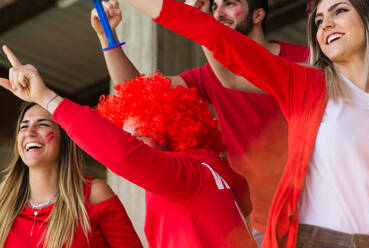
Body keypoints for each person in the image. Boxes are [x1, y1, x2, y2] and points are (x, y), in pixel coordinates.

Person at [59, 0, 369, 247]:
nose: (325, 25)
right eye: (318, 20)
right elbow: (199, 50)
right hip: (304, 235)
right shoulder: (306, 84)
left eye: (339, 12)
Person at [86, 0, 309, 245]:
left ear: (259, 14)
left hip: (313, 206)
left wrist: (202, 27)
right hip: (257, 220)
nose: (218, 13)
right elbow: (139, 93)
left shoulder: (303, 60)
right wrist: (107, 36)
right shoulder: (209, 75)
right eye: (214, 8)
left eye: (230, 4)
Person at [0, 52, 256, 248]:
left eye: (141, 134)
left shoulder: (188, 175)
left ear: (172, 127)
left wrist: (46, 97)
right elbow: (137, 93)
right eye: (127, 133)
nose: (131, 139)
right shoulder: (207, 173)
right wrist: (108, 40)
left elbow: (124, 154)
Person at [0, 102, 142, 248]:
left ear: (64, 139)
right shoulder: (2, 200)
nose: (30, 132)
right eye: (24, 126)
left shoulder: (94, 195)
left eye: (43, 124)